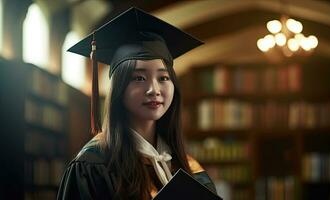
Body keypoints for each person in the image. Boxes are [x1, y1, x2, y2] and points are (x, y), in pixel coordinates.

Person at [57, 7, 216, 200]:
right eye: (139, 78)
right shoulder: (93, 166)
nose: (154, 89)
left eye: (163, 78)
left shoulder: (187, 166)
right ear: (119, 88)